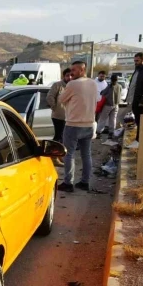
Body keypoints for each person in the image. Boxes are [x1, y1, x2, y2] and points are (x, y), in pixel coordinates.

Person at [57, 61, 99, 192]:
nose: (71, 73)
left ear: (82, 70)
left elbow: (61, 99)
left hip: (73, 125)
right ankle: (85, 182)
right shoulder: (93, 83)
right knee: (86, 154)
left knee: (69, 154)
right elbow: (96, 100)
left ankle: (68, 183)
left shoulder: (72, 84)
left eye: (74, 70)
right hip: (89, 124)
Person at [125, 52, 143, 149]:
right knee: (138, 121)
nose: (135, 62)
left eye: (137, 60)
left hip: (141, 101)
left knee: (141, 122)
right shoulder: (137, 70)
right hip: (134, 99)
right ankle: (138, 140)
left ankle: (139, 141)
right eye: (134, 60)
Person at [46, 68, 72, 166]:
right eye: (67, 75)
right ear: (63, 76)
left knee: (64, 137)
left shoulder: (72, 86)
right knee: (58, 136)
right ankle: (54, 157)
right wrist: (55, 107)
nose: (69, 77)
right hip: (58, 116)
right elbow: (49, 97)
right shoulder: (57, 85)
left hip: (69, 117)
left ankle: (59, 155)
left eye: (71, 75)